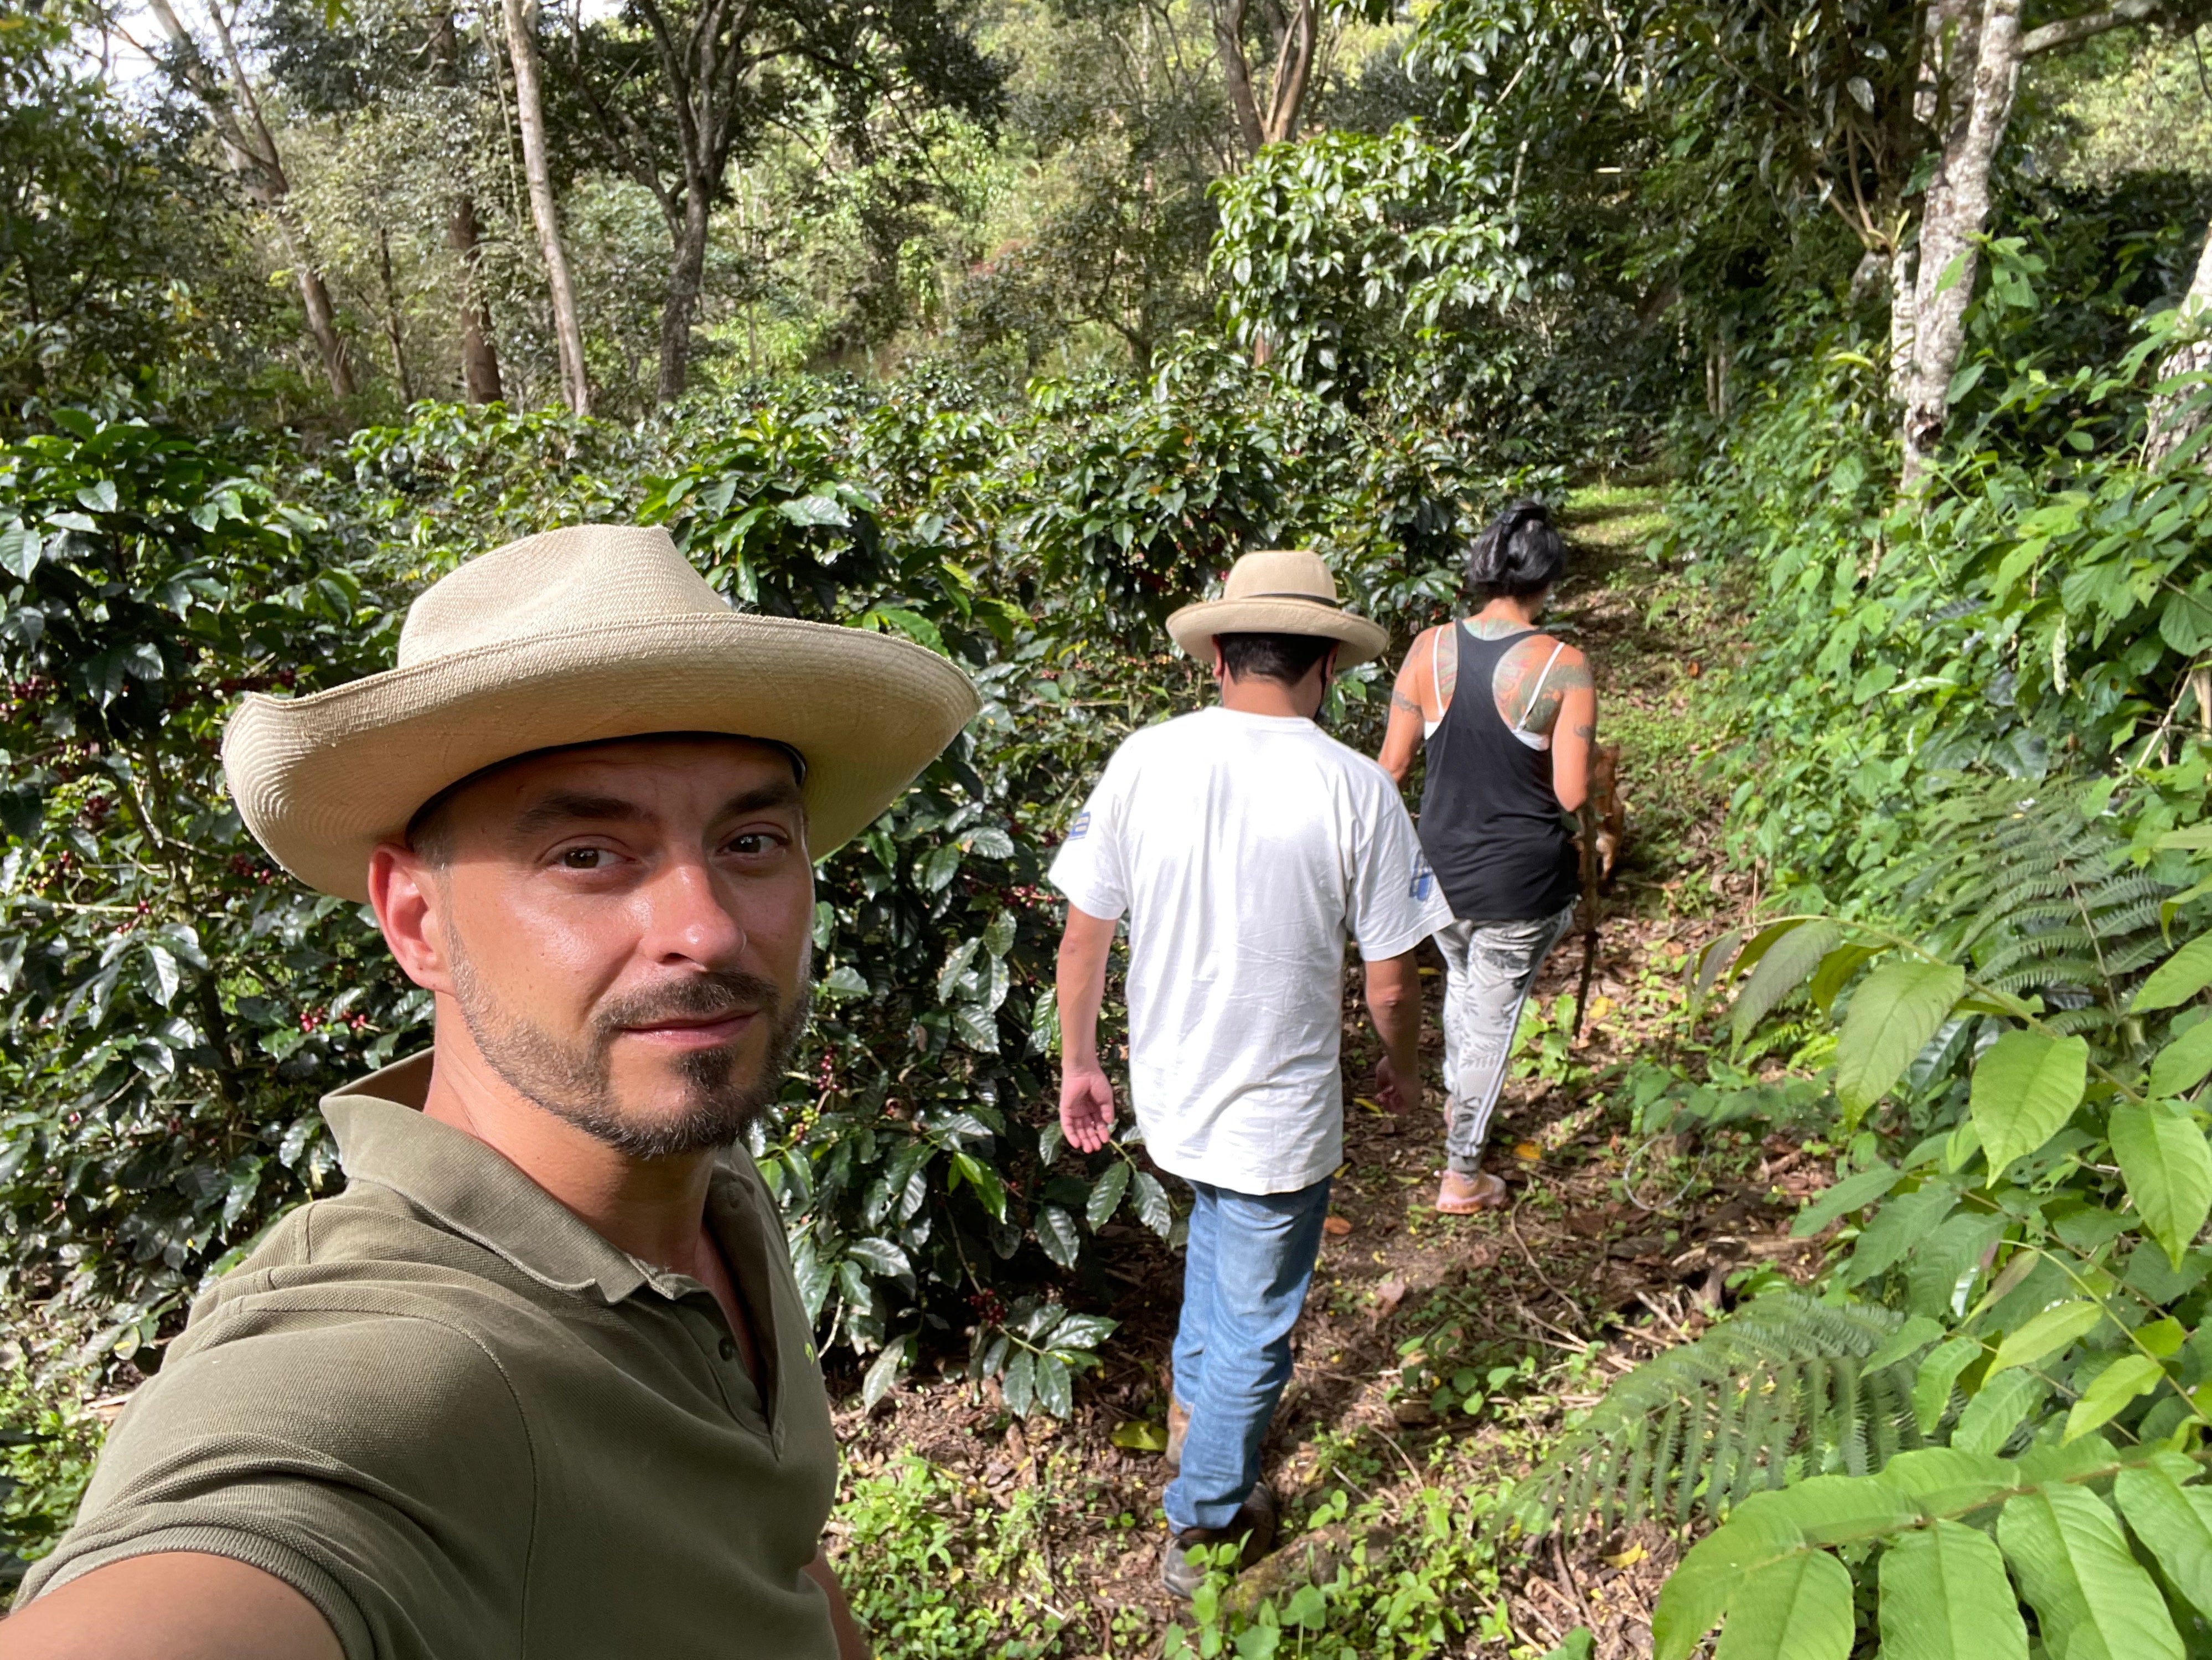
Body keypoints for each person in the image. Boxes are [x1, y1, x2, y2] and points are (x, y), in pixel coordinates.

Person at [0, 525, 978, 1660]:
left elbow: (772, 1544)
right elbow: (251, 1528)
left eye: (752, 839)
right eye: (587, 856)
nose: (706, 928)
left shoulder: (696, 1172)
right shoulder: (404, 1368)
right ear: (415, 919)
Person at [1050, 549, 1451, 1599]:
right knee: (1259, 1327)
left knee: (1219, 1263)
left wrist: (1081, 1064)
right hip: (1280, 1115)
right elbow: (1392, 984)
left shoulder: (1144, 760)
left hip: (1175, 1096)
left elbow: (1084, 939)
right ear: (1325, 667)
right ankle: (1207, 1522)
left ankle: (1194, 1438)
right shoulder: (1357, 789)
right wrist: (1403, 1072)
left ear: (1220, 655)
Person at [1377, 500, 1595, 1214]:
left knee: (1466, 990)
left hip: (1437, 872)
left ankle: (1458, 1111)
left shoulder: (1426, 651)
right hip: (1519, 883)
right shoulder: (1563, 667)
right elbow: (1569, 793)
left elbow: (1391, 770)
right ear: (1547, 581)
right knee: (1491, 1022)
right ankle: (1462, 1172)